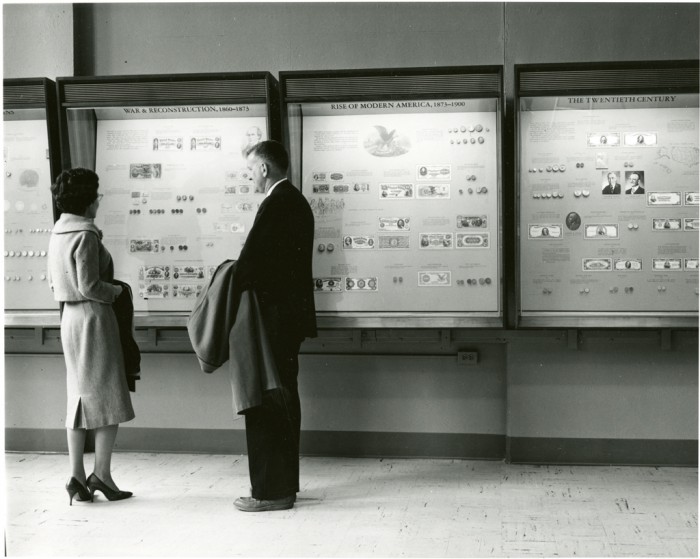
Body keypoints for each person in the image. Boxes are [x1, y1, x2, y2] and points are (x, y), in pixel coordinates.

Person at [232, 140, 316, 512]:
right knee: (281, 398)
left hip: (272, 322)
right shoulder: (293, 201)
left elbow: (249, 265)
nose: (248, 176)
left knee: (266, 401)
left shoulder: (277, 203)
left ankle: (270, 492)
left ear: (264, 169)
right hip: (286, 321)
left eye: (250, 169)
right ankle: (283, 487)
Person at [47, 168, 135, 505]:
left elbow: (55, 284)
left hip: (69, 318)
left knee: (79, 396)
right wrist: (116, 291)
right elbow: (90, 286)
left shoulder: (58, 232)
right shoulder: (86, 234)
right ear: (87, 200)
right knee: (108, 396)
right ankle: (102, 474)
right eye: (96, 195)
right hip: (93, 319)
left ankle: (76, 477)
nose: (99, 200)